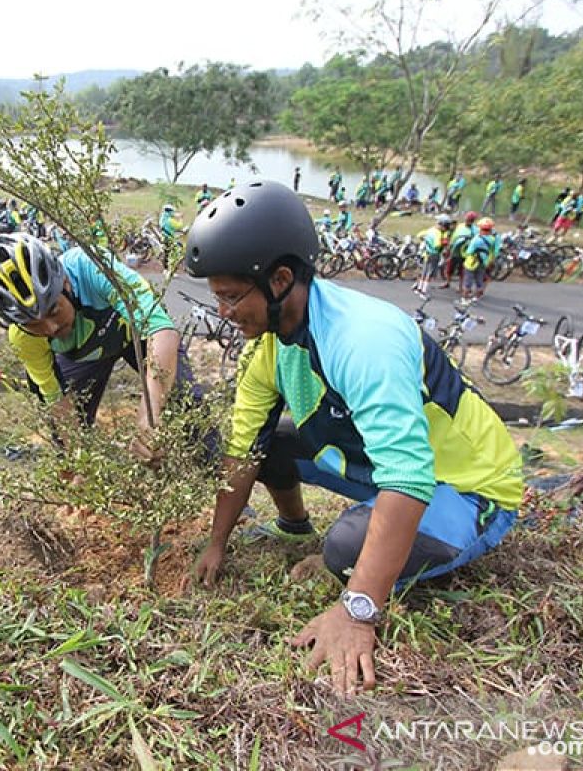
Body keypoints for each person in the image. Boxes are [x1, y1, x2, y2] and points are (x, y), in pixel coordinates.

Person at [183, 181, 522, 695]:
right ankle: (294, 527)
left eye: (231, 297)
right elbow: (242, 452)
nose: (224, 314)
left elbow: (408, 478)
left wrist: (358, 611)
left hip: (464, 484)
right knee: (268, 443)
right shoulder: (270, 347)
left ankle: (361, 553)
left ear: (280, 279)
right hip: (386, 468)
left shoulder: (363, 339)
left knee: (345, 547)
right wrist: (216, 544)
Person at [0, 233, 190, 458]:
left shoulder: (90, 265)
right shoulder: (23, 337)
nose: (50, 329)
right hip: (82, 355)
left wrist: (150, 413)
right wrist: (80, 460)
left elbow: (161, 330)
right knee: (67, 440)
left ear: (66, 284)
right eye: (34, 324)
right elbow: (56, 399)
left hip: (136, 333)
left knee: (187, 406)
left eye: (54, 311)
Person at [414, 214, 454, 297]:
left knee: (424, 271)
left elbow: (419, 235)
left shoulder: (431, 230)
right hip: (434, 254)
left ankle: (419, 288)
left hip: (426, 253)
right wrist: (444, 243)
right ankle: (424, 290)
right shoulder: (439, 234)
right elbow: (437, 245)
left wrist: (425, 240)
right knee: (430, 273)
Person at [443, 211, 477, 293]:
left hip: (465, 253)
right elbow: (454, 237)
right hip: (455, 251)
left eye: (470, 220)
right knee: (449, 268)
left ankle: (461, 287)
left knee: (462, 271)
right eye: (467, 219)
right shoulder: (460, 226)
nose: (468, 221)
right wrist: (449, 247)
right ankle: (447, 282)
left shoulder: (475, 230)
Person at [462, 217, 495, 301]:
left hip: (471, 263)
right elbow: (492, 251)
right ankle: (476, 297)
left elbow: (469, 251)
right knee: (479, 280)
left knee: (468, 281)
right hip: (483, 263)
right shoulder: (492, 239)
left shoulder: (476, 239)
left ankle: (465, 299)